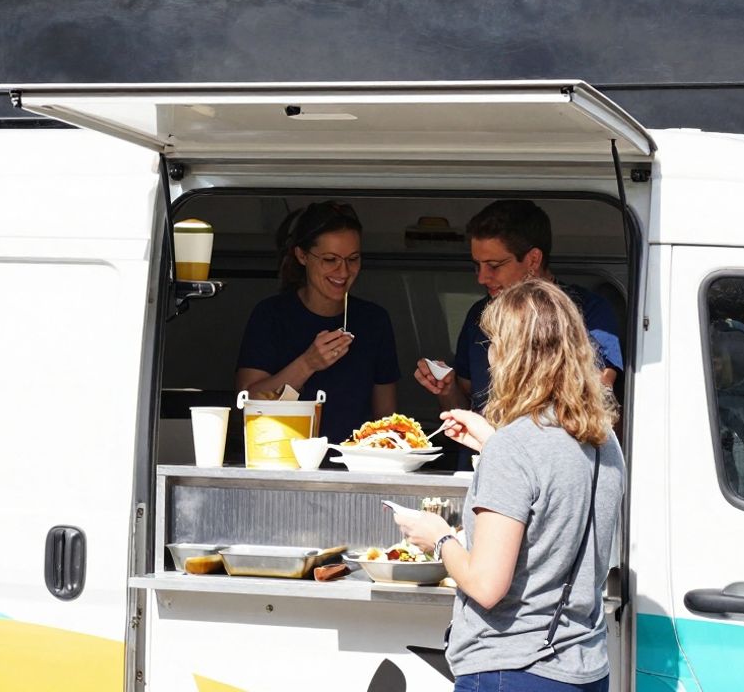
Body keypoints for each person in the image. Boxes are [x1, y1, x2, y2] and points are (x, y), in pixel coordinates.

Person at [395, 280, 625, 692]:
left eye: (495, 342)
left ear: (513, 355)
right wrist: (491, 439)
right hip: (586, 666)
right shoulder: (604, 440)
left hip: (512, 668)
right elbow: (557, 485)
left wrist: (439, 537)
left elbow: (486, 585)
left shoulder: (515, 447)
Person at [415, 200, 623, 464]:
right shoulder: (478, 314)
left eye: (494, 265)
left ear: (533, 259)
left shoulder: (588, 312)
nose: (481, 277)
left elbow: (594, 398)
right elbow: (467, 402)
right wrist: (446, 389)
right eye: (477, 265)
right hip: (478, 469)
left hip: (548, 470)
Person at [236, 201, 400, 443]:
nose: (343, 271)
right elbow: (248, 401)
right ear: (302, 255)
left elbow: (386, 419)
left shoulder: (373, 321)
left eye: (353, 259)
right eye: (330, 259)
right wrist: (308, 363)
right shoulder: (272, 315)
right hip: (283, 461)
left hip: (355, 467)